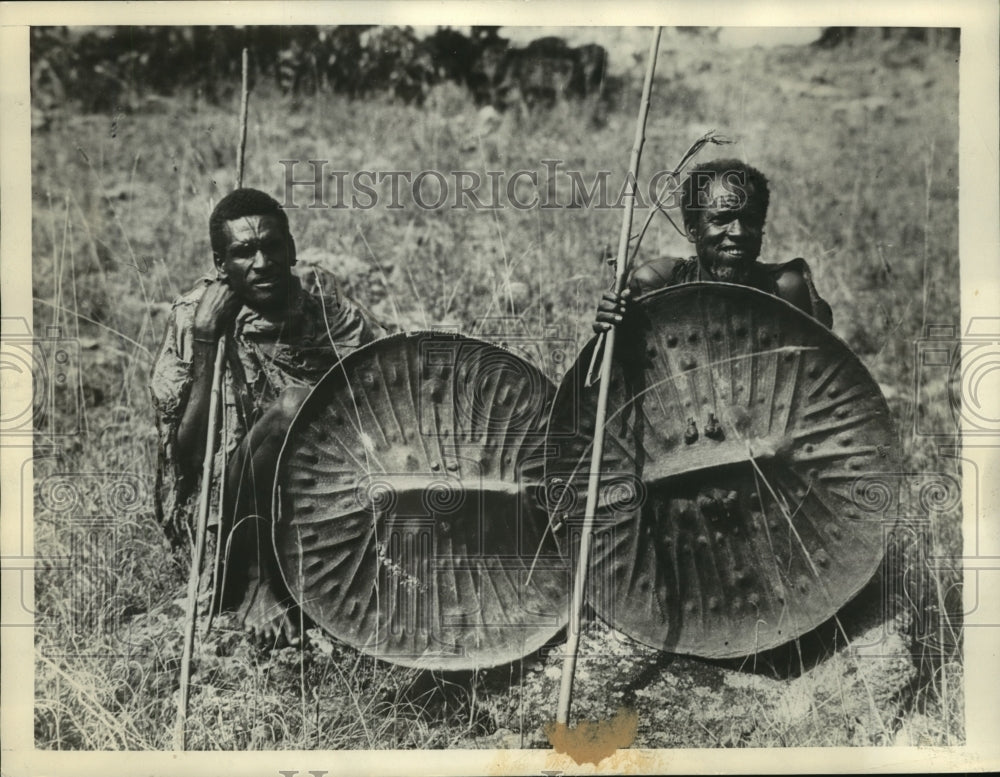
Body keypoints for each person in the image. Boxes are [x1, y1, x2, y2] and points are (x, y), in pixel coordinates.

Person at [151, 188, 382, 648]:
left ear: (291, 250)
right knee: (293, 408)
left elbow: (388, 395)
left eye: (271, 246)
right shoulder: (194, 321)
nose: (261, 262)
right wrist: (205, 341)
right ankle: (261, 583)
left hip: (322, 492)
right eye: (243, 252)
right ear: (221, 264)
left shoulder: (329, 315)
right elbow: (187, 458)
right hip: (231, 507)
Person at [595, 158, 833, 332]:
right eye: (721, 219)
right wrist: (613, 329)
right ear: (692, 229)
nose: (738, 232)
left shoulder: (784, 290)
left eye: (750, 220)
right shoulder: (658, 284)